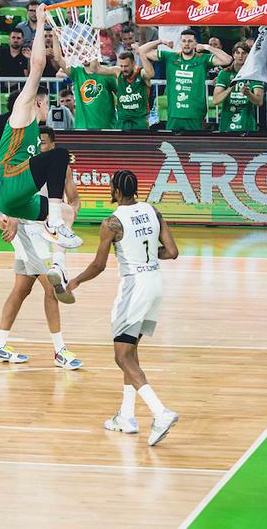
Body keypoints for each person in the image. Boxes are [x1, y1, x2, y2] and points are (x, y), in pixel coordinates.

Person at [66, 170, 180, 445]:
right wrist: (150, 256)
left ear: (115, 190)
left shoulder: (112, 223)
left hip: (135, 288)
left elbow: (98, 265)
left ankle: (160, 412)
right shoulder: (153, 211)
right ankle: (126, 416)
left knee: (122, 358)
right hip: (155, 285)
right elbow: (172, 252)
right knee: (131, 351)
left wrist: (76, 281)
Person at [0, 3, 82, 253]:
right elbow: (38, 66)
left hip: (15, 199)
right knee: (60, 155)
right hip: (8, 181)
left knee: (66, 211)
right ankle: (52, 223)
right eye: (47, 104)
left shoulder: (34, 127)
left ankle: (58, 269)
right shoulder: (24, 109)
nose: (48, 109)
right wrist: (41, 23)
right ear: (38, 101)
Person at [0, 126, 83, 369]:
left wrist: (69, 214)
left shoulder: (63, 169)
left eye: (42, 143)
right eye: (36, 142)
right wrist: (8, 217)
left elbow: (74, 199)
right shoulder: (26, 166)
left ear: (52, 145)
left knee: (21, 290)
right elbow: (12, 199)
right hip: (26, 230)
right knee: (51, 288)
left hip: (46, 232)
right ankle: (59, 350)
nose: (37, 147)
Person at [138, 31, 232, 131]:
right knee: (172, 146)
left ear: (195, 43)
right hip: (174, 114)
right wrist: (160, 41)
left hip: (195, 115)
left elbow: (228, 60)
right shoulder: (171, 57)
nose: (186, 44)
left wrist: (206, 47)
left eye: (190, 41)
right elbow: (142, 50)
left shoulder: (202, 59)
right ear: (180, 43)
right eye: (184, 41)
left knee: (194, 145)